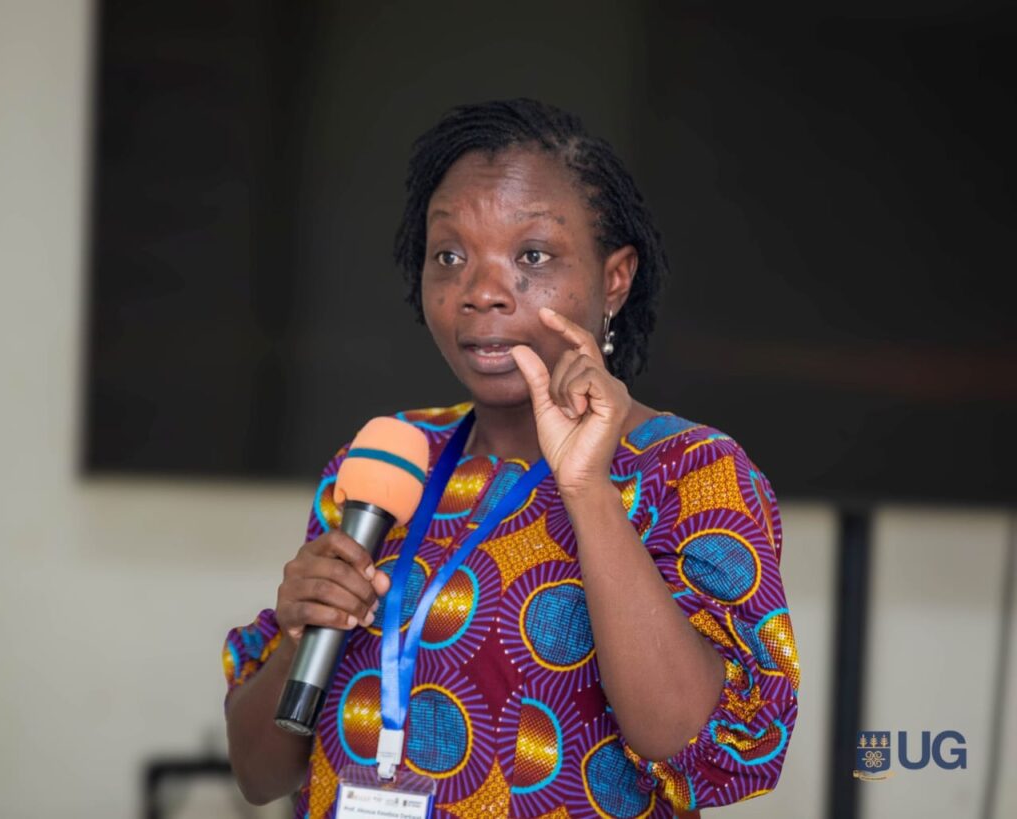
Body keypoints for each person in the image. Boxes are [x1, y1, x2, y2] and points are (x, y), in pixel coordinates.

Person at [223, 98, 799, 818]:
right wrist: (297, 639)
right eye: (450, 256)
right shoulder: (385, 458)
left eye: (531, 256)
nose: (482, 293)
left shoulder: (688, 471)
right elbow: (259, 774)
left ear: (615, 278)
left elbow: (687, 743)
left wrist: (587, 489)